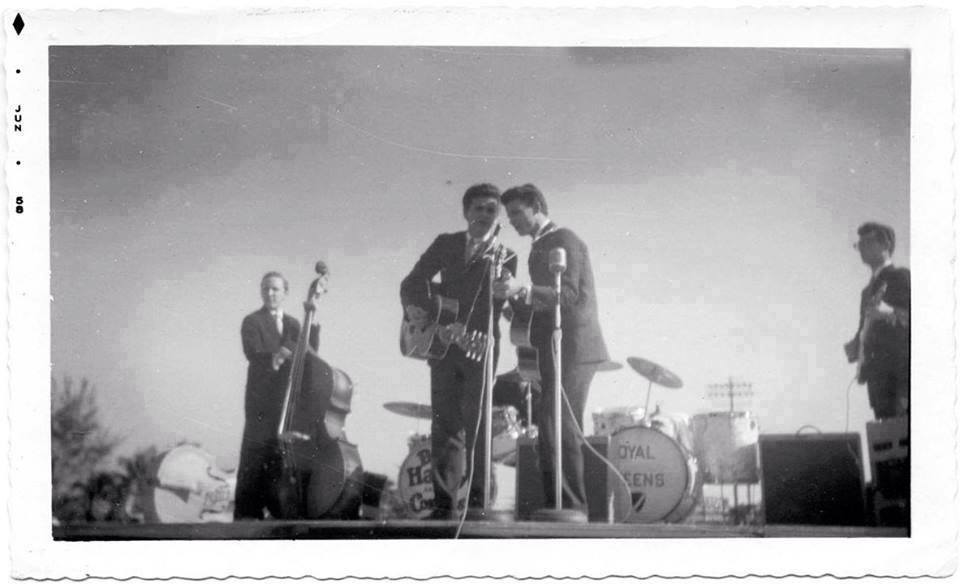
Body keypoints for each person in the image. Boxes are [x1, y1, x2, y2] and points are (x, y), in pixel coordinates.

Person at [400, 183, 517, 519]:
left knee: (477, 426)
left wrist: (501, 291)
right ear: (466, 212)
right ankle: (443, 507)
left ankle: (478, 506)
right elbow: (412, 282)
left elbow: (498, 303)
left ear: (498, 217)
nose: (483, 215)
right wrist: (424, 311)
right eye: (477, 208)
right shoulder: (446, 244)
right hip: (443, 346)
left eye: (491, 210)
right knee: (445, 426)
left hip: (479, 346)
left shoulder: (506, 255)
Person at [493, 183, 609, 513]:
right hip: (555, 347)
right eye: (510, 214)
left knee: (561, 424)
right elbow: (542, 305)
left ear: (538, 206)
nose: (512, 220)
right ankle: (558, 504)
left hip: (574, 346)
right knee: (549, 425)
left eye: (517, 212)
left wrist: (524, 289)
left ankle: (572, 507)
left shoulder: (564, 240)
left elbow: (569, 295)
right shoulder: (541, 245)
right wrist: (512, 301)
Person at [235, 271, 319, 520]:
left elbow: (310, 352)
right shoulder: (252, 321)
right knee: (255, 454)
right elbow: (253, 353)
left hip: (286, 401)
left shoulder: (294, 324)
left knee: (280, 458)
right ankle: (247, 517)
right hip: (261, 400)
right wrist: (278, 355)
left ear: (285, 293)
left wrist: (312, 318)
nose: (270, 293)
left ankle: (282, 510)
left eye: (275, 289)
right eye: (266, 289)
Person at [843, 222, 910, 420]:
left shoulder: (900, 277)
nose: (861, 248)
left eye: (867, 242)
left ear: (886, 245)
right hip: (876, 379)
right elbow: (865, 327)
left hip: (898, 376)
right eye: (859, 245)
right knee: (885, 441)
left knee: (901, 437)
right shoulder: (866, 292)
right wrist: (857, 344)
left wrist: (886, 311)